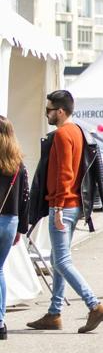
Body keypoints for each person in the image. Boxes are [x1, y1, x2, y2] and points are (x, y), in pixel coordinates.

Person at [26, 90, 103, 333]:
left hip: (63, 206)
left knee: (61, 261)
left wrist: (56, 207)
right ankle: (54, 313)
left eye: (49, 110)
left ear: (60, 111)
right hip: (71, 205)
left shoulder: (64, 134)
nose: (47, 114)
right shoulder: (77, 131)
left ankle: (94, 305)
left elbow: (65, 174)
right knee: (57, 260)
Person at [0, 116, 30, 340]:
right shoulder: (18, 162)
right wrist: (21, 227)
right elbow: (25, 198)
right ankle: (0, 321)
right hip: (10, 221)